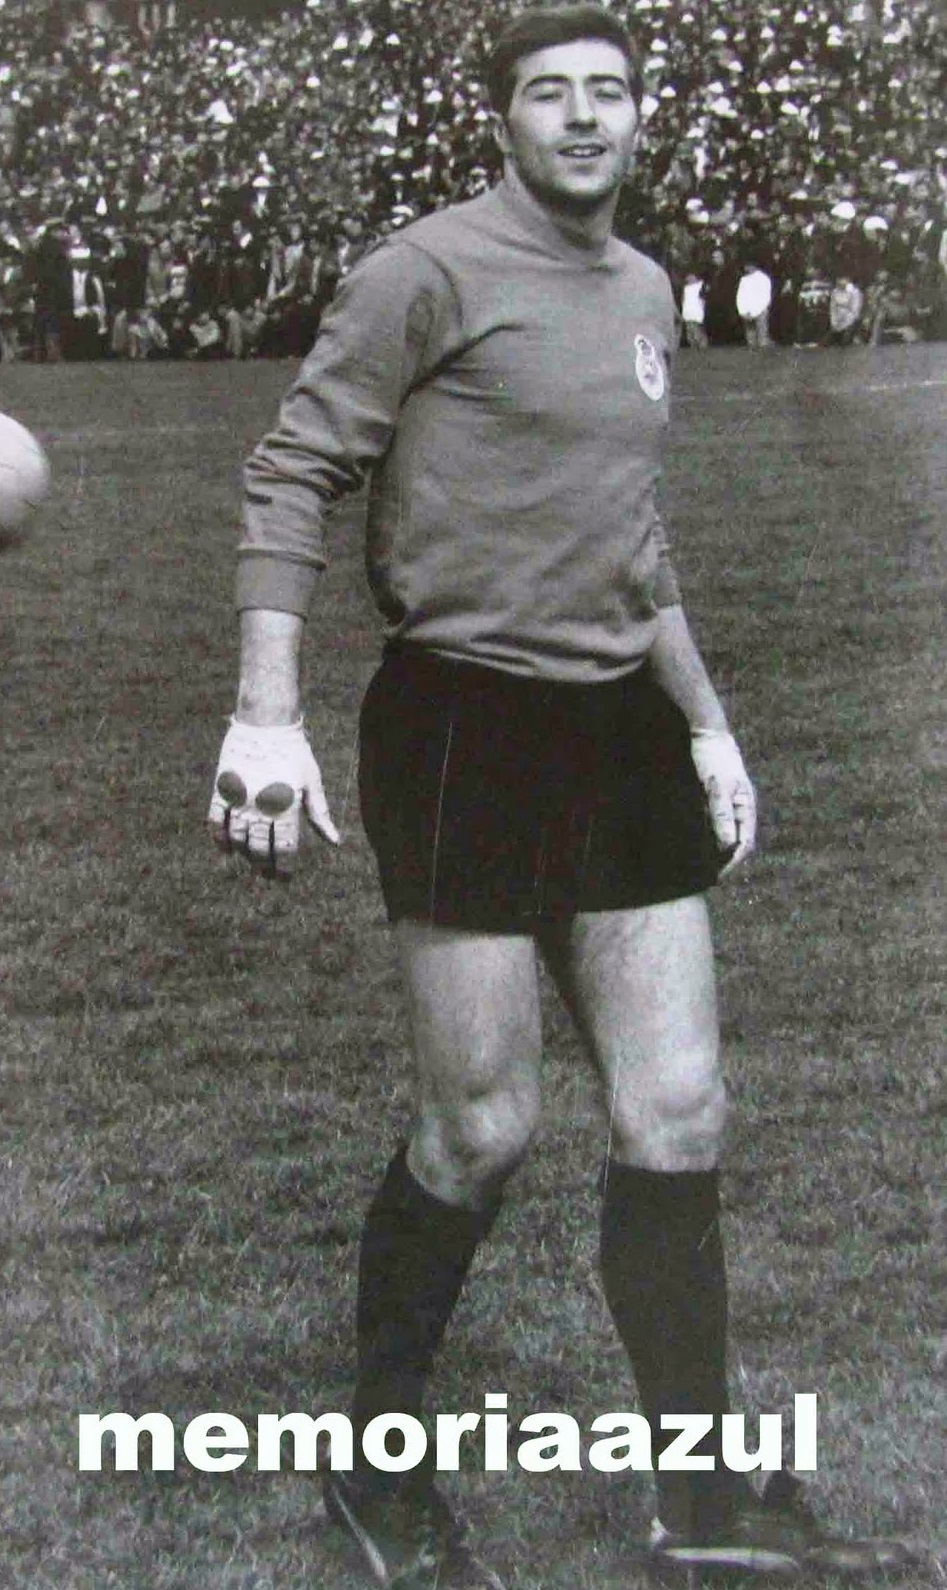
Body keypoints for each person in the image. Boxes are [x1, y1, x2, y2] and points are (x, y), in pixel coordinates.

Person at [208, 7, 914, 1587]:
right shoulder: (425, 269)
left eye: (610, 92)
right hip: (464, 718)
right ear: (503, 122)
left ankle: (699, 1501)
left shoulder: (646, 288)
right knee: (483, 1127)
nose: (585, 117)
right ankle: (374, 1471)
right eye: (551, 94)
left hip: (619, 727)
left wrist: (708, 727)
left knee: (680, 1109)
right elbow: (293, 469)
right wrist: (265, 712)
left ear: (642, 118)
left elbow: (631, 537)